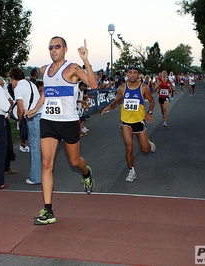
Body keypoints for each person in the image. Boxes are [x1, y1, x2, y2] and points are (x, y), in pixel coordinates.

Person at [25, 37, 97, 225]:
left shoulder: (73, 68)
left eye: (57, 47)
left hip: (69, 122)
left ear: (65, 49)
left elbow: (93, 84)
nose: (53, 50)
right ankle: (48, 210)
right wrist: (34, 109)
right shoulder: (44, 70)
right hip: (49, 121)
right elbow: (45, 93)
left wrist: (86, 60)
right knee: (46, 164)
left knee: (74, 161)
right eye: (50, 47)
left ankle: (86, 172)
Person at [100, 66, 156, 182]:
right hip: (126, 122)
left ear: (138, 75)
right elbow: (116, 102)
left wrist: (149, 112)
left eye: (135, 73)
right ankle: (131, 171)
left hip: (139, 121)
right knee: (129, 147)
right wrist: (108, 108)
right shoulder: (122, 88)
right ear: (127, 74)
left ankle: (149, 144)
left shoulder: (143, 88)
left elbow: (151, 101)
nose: (132, 75)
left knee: (145, 149)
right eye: (130, 73)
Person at [9, 67, 42, 185]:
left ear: (13, 78)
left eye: (10, 80)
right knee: (38, 146)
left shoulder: (18, 88)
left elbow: (20, 109)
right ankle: (41, 173)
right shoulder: (31, 84)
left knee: (34, 147)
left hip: (31, 117)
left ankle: (36, 177)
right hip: (39, 114)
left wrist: (19, 120)